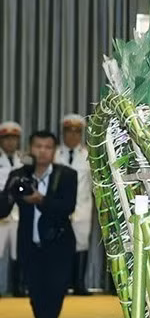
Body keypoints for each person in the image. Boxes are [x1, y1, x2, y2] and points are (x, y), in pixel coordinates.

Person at [0, 131, 78, 318]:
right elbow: (3, 211)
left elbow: (67, 207)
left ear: (54, 151)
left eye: (47, 147)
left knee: (55, 293)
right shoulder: (18, 175)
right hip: (29, 245)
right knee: (36, 295)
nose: (42, 151)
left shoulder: (66, 175)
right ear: (29, 149)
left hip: (59, 244)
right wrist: (10, 192)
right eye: (38, 146)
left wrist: (40, 200)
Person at [53, 114, 98, 295]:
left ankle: (79, 283)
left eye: (77, 132)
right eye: (69, 131)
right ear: (63, 133)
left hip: (82, 207)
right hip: (59, 208)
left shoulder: (89, 155)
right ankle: (60, 284)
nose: (73, 135)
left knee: (81, 243)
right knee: (58, 245)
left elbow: (94, 183)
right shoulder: (54, 154)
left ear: (81, 134)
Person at [0, 121, 22, 297]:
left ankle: (18, 288)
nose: (10, 142)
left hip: (18, 214)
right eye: (6, 138)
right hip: (0, 215)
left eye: (13, 138)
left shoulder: (23, 159)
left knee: (18, 253)